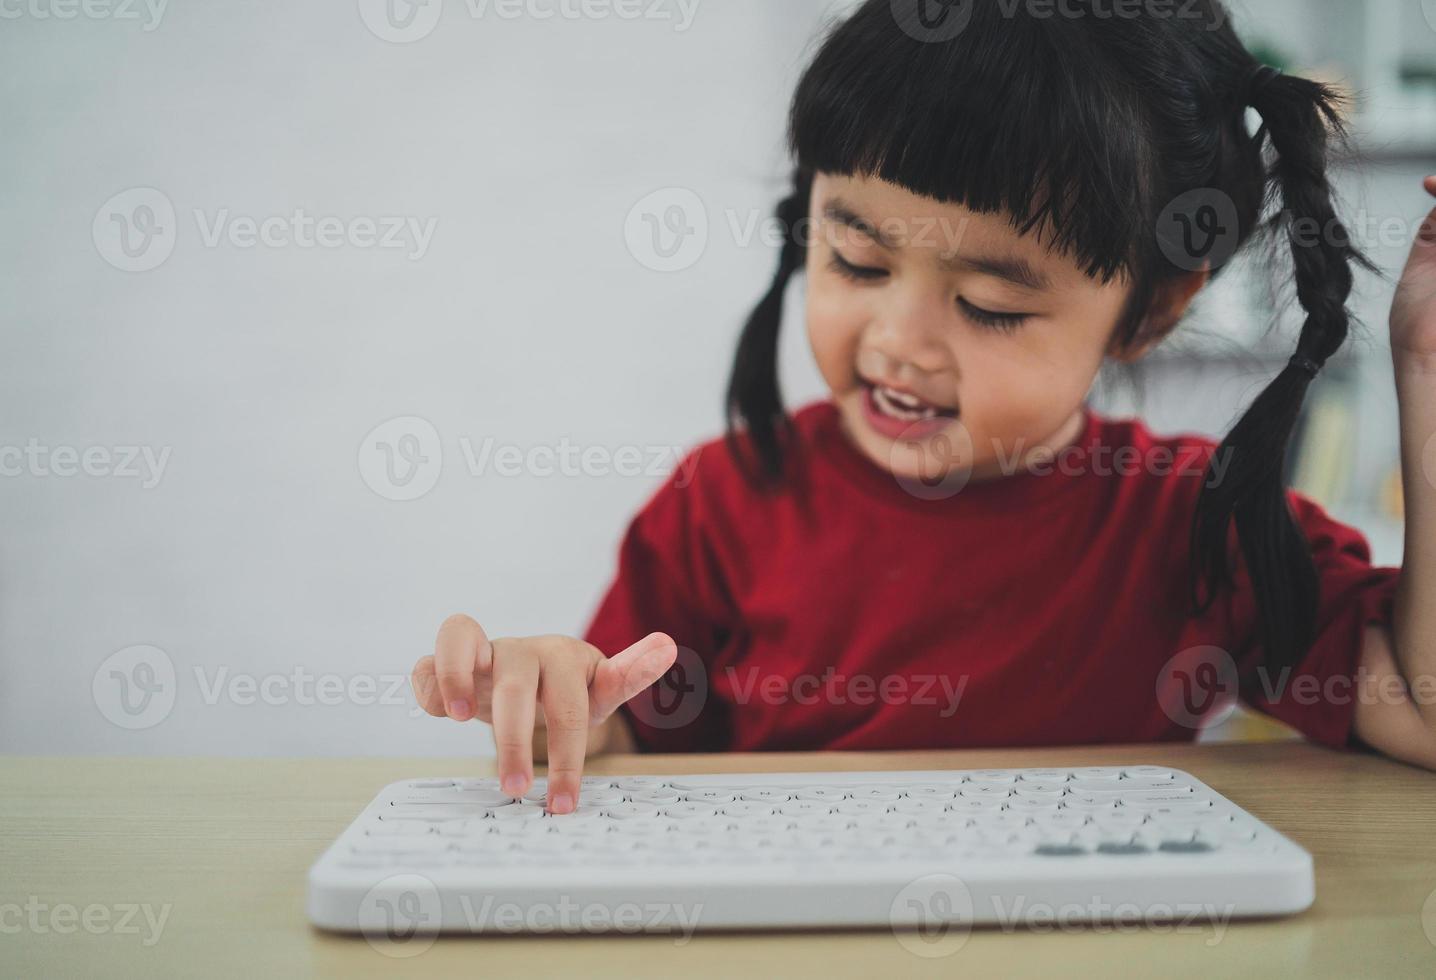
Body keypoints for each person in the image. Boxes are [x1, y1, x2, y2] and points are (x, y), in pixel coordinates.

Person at [410, 0, 1436, 814]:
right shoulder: (724, 504)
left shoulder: (1190, 522)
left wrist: (1424, 379)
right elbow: (615, 741)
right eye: (854, 258)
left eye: (989, 305)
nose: (898, 338)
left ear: (1150, 309)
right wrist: (553, 704)